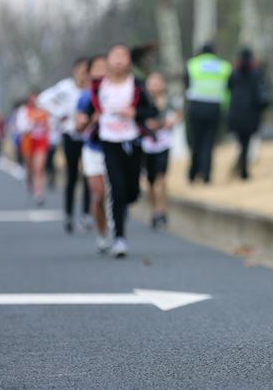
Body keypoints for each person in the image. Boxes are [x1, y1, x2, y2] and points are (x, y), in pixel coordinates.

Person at [82, 44, 156, 258]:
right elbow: (88, 110)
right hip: (109, 142)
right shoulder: (99, 87)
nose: (118, 60)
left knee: (131, 191)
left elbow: (151, 110)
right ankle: (120, 238)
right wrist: (85, 118)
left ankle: (127, 200)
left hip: (133, 141)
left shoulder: (137, 85)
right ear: (108, 60)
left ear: (129, 61)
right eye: (114, 55)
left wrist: (135, 112)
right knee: (116, 189)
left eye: (123, 56)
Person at [38, 57, 92, 232]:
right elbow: (43, 99)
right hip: (70, 135)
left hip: (90, 136)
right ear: (74, 71)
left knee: (89, 175)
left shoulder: (93, 88)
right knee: (72, 175)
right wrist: (61, 112)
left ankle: (86, 214)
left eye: (86, 71)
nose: (83, 74)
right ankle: (68, 214)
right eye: (80, 71)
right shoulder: (65, 87)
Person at [75, 54, 111, 253]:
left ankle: (117, 231)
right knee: (98, 196)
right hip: (93, 150)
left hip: (115, 150)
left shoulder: (121, 92)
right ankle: (102, 234)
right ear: (89, 74)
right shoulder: (85, 97)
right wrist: (90, 120)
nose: (102, 72)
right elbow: (78, 126)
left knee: (116, 194)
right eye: (97, 68)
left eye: (105, 67)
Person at [185, 43, 231, 184]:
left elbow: (187, 85)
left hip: (196, 107)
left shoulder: (192, 64)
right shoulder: (224, 66)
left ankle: (193, 174)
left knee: (196, 142)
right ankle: (206, 175)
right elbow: (228, 88)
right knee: (209, 143)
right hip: (214, 107)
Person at [141, 71, 181, 229]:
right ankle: (154, 209)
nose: (155, 86)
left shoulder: (169, 100)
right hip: (147, 144)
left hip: (163, 142)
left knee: (162, 178)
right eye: (152, 83)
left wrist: (171, 123)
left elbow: (178, 114)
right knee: (150, 180)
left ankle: (163, 211)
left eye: (158, 83)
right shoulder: (143, 100)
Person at [227, 48, 269, 180]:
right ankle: (243, 171)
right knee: (246, 143)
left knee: (242, 142)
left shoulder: (234, 73)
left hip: (236, 113)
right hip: (251, 114)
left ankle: (241, 168)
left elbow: (228, 87)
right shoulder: (256, 74)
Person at [16, 90, 52, 206]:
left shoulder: (45, 110)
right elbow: (20, 127)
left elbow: (51, 125)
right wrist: (30, 123)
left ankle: (39, 193)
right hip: (28, 143)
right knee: (30, 167)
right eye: (32, 98)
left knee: (39, 168)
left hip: (41, 142)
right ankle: (29, 181)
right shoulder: (24, 110)